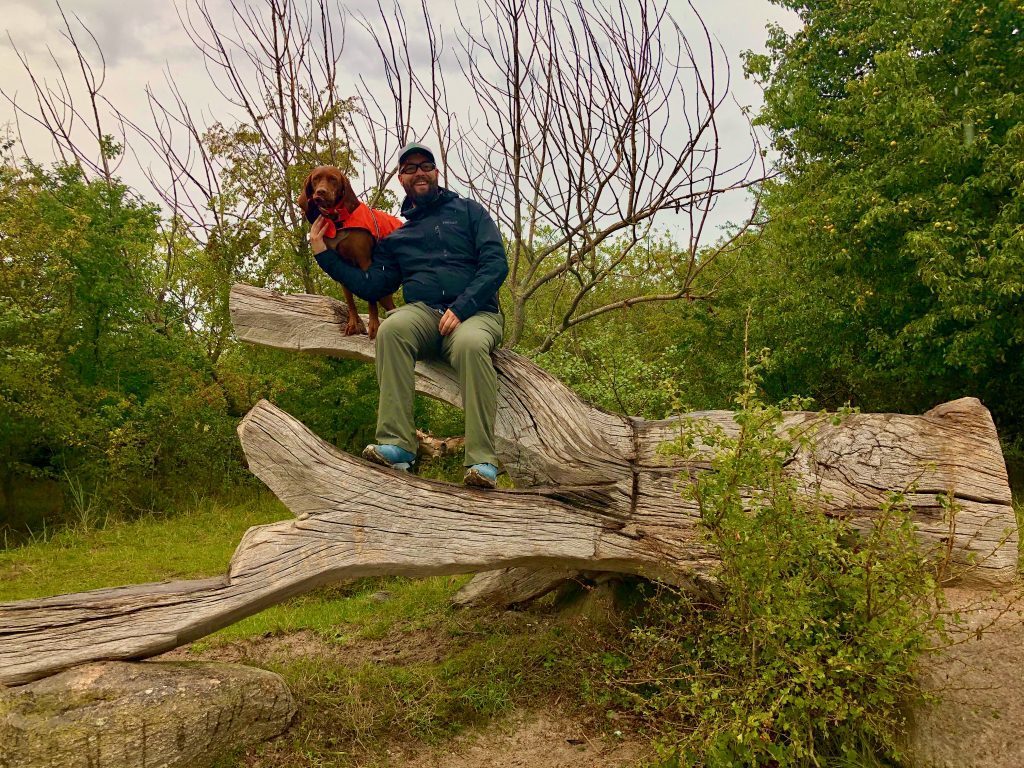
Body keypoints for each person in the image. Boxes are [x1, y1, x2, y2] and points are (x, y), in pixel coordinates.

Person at [309, 142, 508, 488]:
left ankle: (481, 462)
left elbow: (496, 264)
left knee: (472, 346)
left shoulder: (470, 212)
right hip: (424, 315)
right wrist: (324, 254)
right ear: (401, 178)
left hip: (476, 313)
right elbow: (372, 285)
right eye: (410, 167)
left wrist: (462, 308)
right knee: (392, 329)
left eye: (425, 165)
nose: (419, 171)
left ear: (436, 172)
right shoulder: (399, 236)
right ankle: (398, 444)